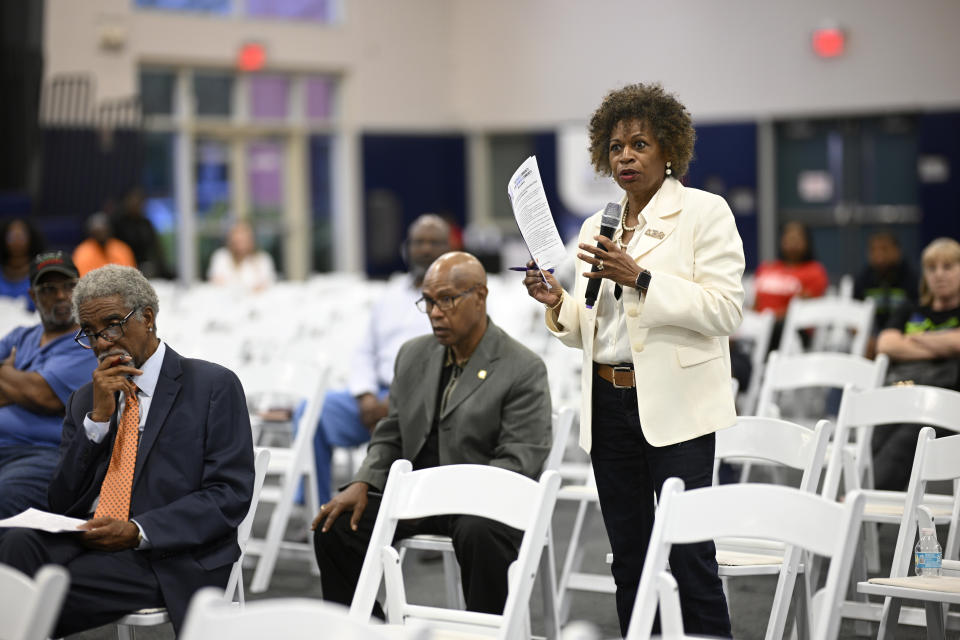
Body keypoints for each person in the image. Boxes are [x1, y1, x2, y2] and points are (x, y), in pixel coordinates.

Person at [523, 83, 743, 637]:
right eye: (616, 146)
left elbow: (725, 312)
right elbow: (593, 327)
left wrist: (641, 277)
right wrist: (558, 305)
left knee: (690, 557)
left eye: (640, 144)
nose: (625, 156)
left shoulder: (704, 212)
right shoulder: (598, 224)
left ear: (669, 151)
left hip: (678, 407)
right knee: (629, 559)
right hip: (607, 402)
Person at [0, 264, 254, 636]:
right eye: (90, 333)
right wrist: (98, 420)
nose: (102, 342)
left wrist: (138, 530)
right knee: (14, 547)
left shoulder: (212, 385)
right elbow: (60, 500)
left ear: (147, 317)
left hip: (167, 552)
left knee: (36, 592)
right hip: (92, 537)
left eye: (113, 325)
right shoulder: (86, 399)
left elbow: (229, 495)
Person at [313, 252, 551, 616]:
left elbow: (519, 460)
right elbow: (391, 433)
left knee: (481, 532)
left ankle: (484, 633)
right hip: (416, 495)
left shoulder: (522, 367)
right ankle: (367, 631)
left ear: (480, 297)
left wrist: (449, 491)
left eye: (447, 299)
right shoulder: (412, 355)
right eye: (428, 301)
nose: (436, 312)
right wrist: (363, 480)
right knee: (337, 525)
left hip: (481, 499)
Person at [308, 214, 449, 504]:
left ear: (448, 248)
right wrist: (365, 396)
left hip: (422, 402)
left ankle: (418, 517)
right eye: (418, 242)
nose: (425, 249)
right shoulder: (391, 294)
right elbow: (365, 351)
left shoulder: (459, 296)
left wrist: (395, 400)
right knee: (311, 413)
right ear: (406, 248)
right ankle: (314, 507)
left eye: (434, 242)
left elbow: (450, 362)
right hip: (374, 399)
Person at [0, 252, 97, 517]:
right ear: (33, 297)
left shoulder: (88, 342)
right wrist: (18, 386)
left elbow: (42, 395)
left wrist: (7, 371)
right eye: (49, 289)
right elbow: (30, 390)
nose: (61, 296)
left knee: (4, 495)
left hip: (42, 453)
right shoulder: (22, 335)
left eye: (69, 286)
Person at [872, 237, 960, 491]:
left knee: (913, 434)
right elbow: (886, 344)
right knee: (877, 431)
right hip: (902, 393)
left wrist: (916, 339)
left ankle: (858, 508)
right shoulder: (911, 308)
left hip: (947, 407)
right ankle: (870, 514)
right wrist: (942, 346)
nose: (939, 274)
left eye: (948, 267)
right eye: (932, 268)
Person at [753, 221, 828, 349]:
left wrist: (770, 318)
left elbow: (804, 308)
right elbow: (756, 304)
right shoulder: (766, 268)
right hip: (759, 325)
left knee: (778, 327)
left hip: (793, 330)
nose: (792, 240)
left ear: (807, 242)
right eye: (788, 236)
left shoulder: (814, 271)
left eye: (797, 237)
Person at [854, 231, 918, 356]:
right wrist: (865, 338)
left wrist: (897, 340)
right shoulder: (863, 279)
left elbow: (919, 315)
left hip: (902, 337)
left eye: (884, 249)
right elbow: (853, 316)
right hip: (872, 340)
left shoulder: (911, 279)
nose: (879, 255)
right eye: (873, 250)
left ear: (897, 251)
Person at [111, 187, 173, 279]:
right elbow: (114, 250)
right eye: (132, 200)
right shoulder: (117, 223)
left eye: (139, 201)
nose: (136, 203)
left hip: (146, 268)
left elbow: (156, 249)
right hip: (123, 269)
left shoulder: (146, 224)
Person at [207, 220, 277, 291]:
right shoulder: (221, 256)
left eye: (244, 237)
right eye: (237, 238)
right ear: (231, 239)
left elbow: (268, 284)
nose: (240, 240)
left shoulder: (262, 259)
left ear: (251, 239)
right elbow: (215, 282)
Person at [0, 217, 45, 311]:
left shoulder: (42, 271)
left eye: (20, 236)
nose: (16, 241)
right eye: (11, 237)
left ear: (31, 239)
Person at [72, 212, 137, 276]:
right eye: (97, 232)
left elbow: (130, 276)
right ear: (91, 233)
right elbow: (82, 280)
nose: (101, 235)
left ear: (110, 230)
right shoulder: (82, 253)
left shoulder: (122, 249)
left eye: (103, 231)